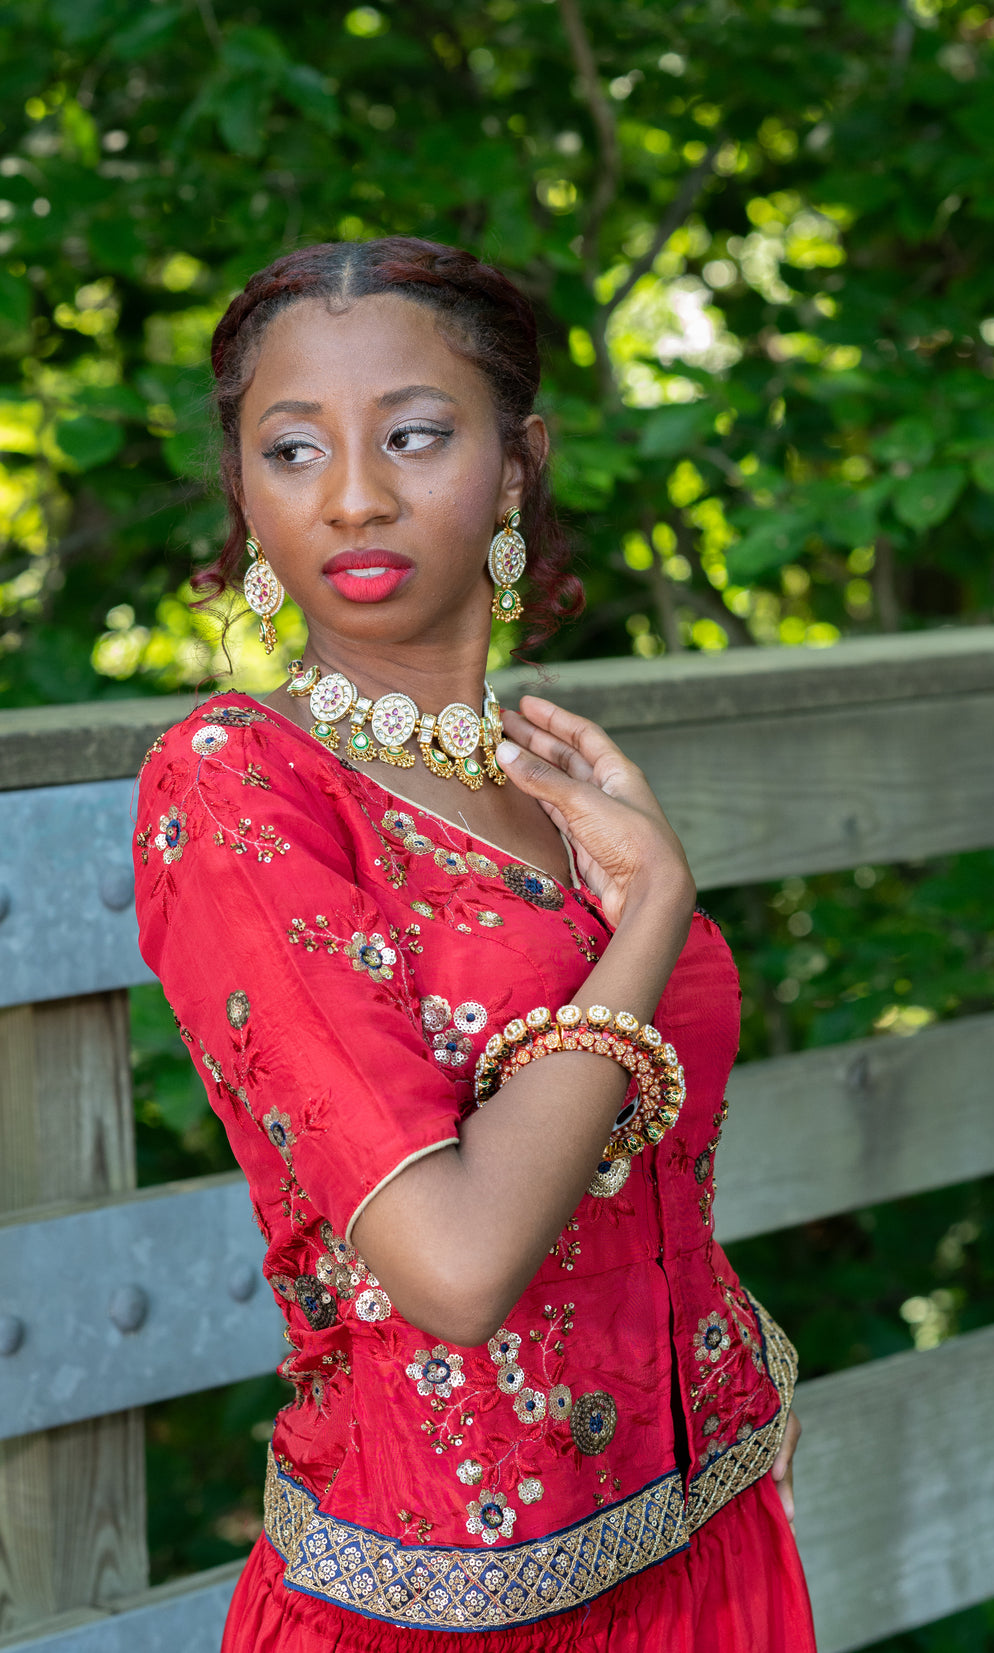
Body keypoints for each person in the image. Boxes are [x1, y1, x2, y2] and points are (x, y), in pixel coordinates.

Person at [133, 237, 814, 1652]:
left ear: (515, 464)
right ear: (244, 491)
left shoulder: (548, 786)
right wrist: (654, 914)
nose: (356, 495)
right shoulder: (239, 786)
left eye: (416, 436)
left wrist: (730, 1381)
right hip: (450, 1617)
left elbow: (644, 1156)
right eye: (295, 449)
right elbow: (453, 1264)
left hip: (713, 1542)